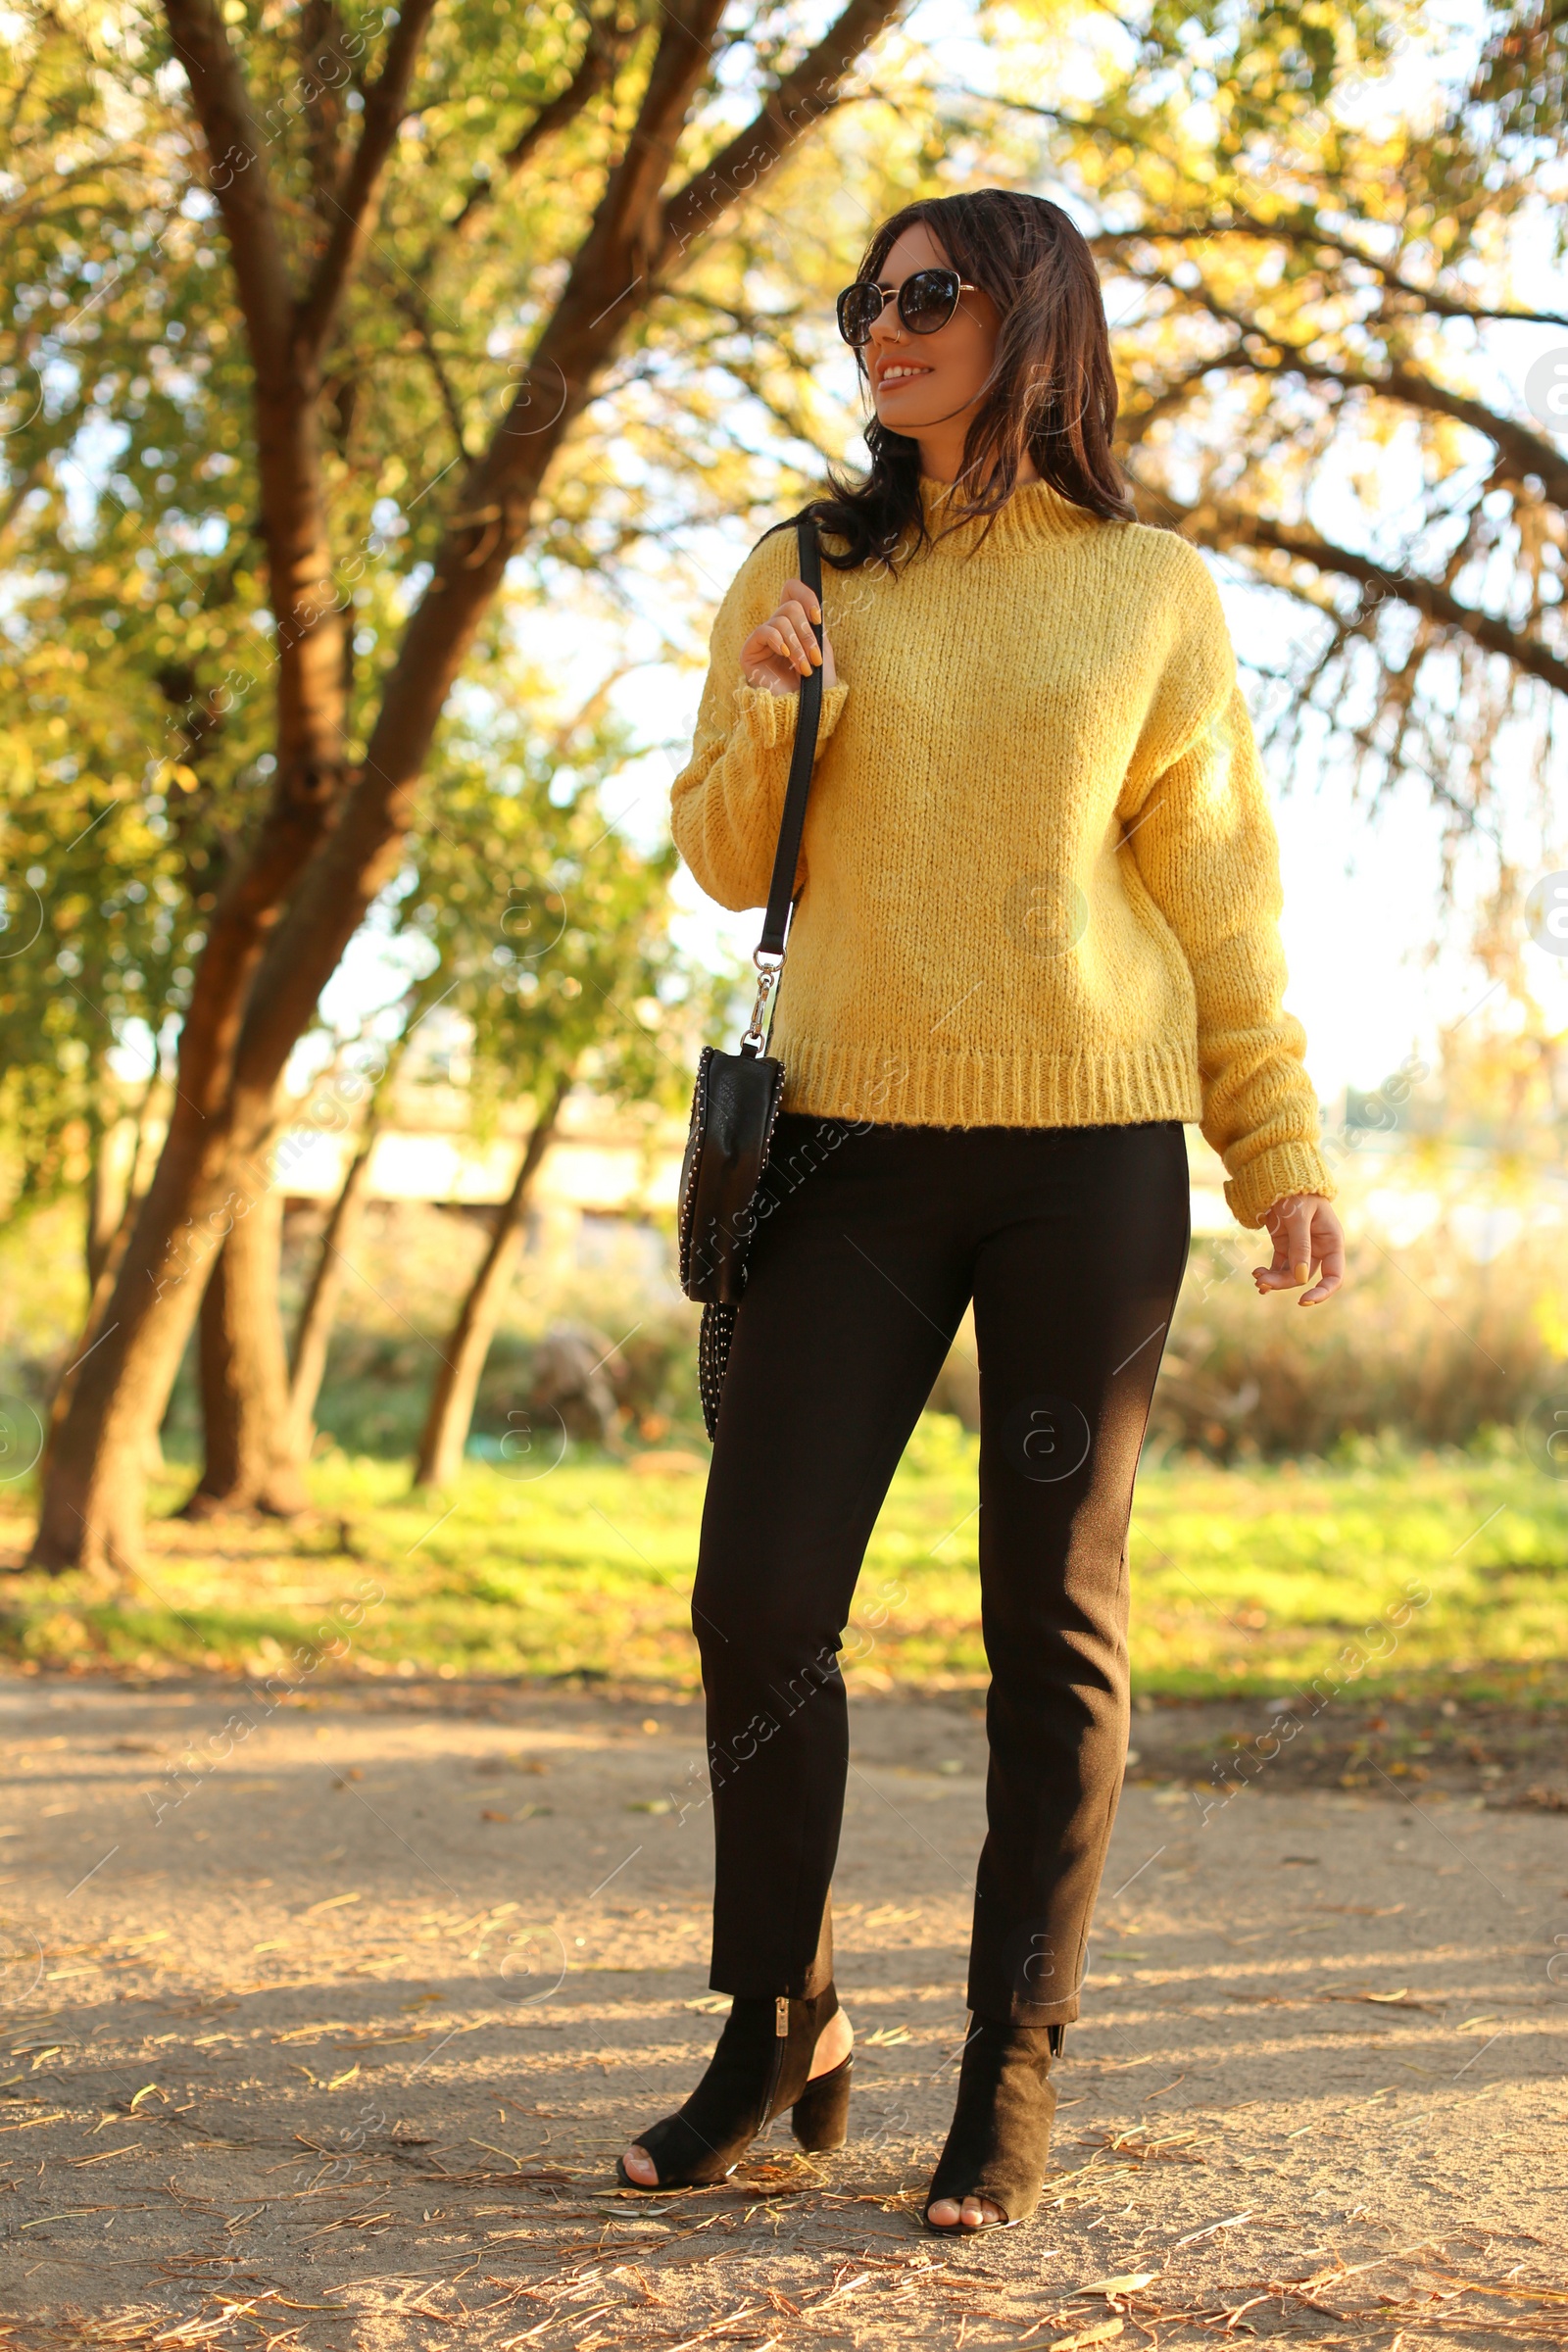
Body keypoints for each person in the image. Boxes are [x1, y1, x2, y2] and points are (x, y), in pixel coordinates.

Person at [619, 189, 1345, 2231]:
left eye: (925, 294)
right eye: (865, 296)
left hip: (1083, 1164)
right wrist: (770, 699)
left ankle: (1007, 2069)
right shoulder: (800, 561)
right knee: (757, 1599)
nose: (880, 324)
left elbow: (1216, 893)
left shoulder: (1147, 590)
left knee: (1054, 1621)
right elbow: (715, 855)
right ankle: (777, 2016)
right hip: (842, 1147)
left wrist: (1269, 1137)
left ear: (1031, 319)